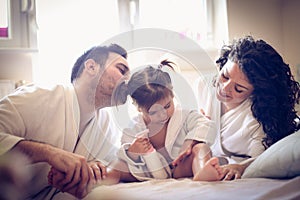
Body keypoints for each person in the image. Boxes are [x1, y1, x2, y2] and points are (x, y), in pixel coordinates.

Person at [0, 43, 130, 199]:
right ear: (91, 67)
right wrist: (49, 153)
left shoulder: (107, 125)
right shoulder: (38, 96)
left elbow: (110, 165)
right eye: (122, 70)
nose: (128, 80)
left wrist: (94, 170)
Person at [173, 35, 300, 180]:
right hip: (195, 158)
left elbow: (262, 160)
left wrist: (240, 167)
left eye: (238, 89)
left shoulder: (257, 119)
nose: (224, 88)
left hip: (221, 163)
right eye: (225, 76)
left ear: (256, 92)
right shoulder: (204, 85)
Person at [103, 60, 224, 184]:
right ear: (139, 108)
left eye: (167, 106)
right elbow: (125, 149)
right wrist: (132, 152)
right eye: (154, 112)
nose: (163, 115)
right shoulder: (134, 128)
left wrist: (190, 142)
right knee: (119, 164)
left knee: (201, 148)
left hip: (180, 168)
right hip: (148, 171)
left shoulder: (184, 116)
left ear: (172, 95)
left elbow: (206, 125)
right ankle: (103, 178)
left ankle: (203, 170)